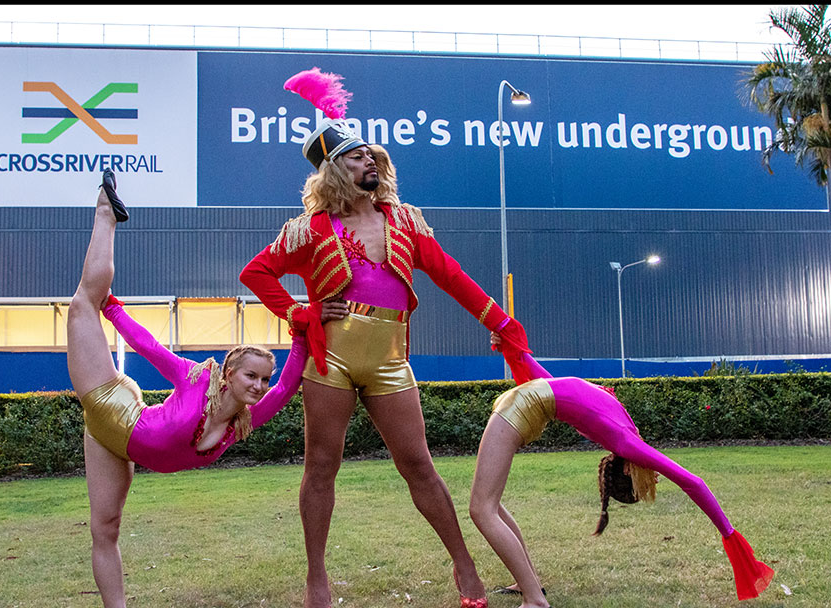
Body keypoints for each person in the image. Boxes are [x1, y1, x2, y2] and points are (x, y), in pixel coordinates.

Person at [239, 68, 534, 608]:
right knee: (320, 467)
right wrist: (300, 311)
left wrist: (502, 323)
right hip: (330, 358)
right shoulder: (309, 230)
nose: (369, 161)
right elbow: (255, 273)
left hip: (390, 358)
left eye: (372, 155)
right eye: (356, 157)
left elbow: (453, 277)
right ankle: (317, 578)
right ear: (334, 170)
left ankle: (464, 566)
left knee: (418, 464)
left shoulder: (406, 221)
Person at [66, 169, 308, 608]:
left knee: (107, 529)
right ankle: (106, 212)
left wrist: (302, 328)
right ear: (230, 373)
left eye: (263, 379)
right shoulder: (198, 378)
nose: (259, 385)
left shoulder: (246, 419)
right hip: (111, 406)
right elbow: (152, 349)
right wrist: (114, 310)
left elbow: (290, 384)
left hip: (117, 447)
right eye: (251, 375)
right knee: (84, 303)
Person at [468, 334, 775, 607]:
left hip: (521, 405)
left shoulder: (625, 441)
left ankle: (534, 599)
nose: (656, 476)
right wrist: (513, 352)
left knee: (482, 509)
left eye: (648, 482)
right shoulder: (625, 433)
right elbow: (553, 386)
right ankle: (529, 585)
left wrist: (730, 535)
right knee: (488, 506)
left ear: (628, 472)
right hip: (525, 401)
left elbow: (691, 483)